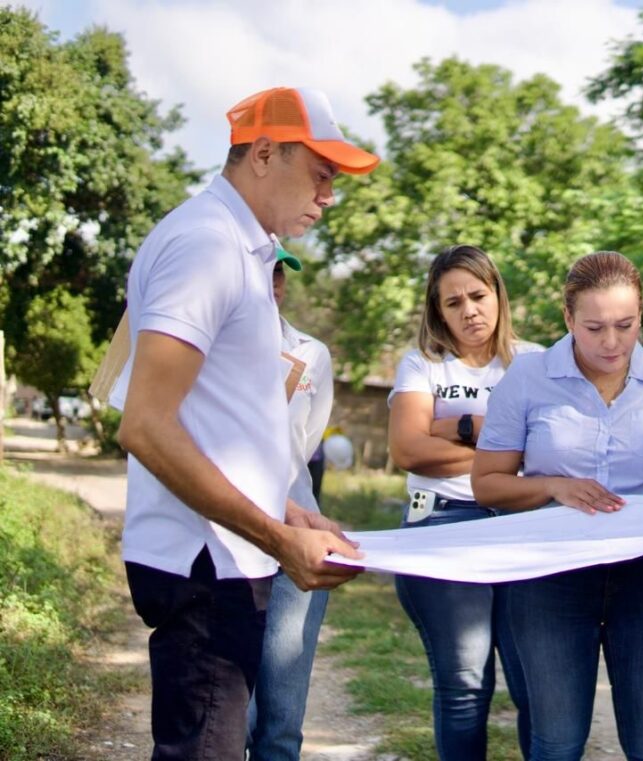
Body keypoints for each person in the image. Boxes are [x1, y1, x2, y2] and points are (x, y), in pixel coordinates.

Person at [111, 86, 378, 759]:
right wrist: (278, 537)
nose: (329, 195)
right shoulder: (208, 245)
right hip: (205, 565)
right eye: (322, 174)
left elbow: (219, 421)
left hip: (224, 558)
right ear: (264, 153)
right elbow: (145, 424)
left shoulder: (241, 250)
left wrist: (291, 511)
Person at [471, 251, 643, 761]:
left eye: (625, 325)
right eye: (594, 326)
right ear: (567, 318)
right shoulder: (528, 378)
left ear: (642, 315)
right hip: (550, 579)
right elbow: (487, 485)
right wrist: (554, 486)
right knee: (557, 745)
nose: (611, 342)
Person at [387, 244, 538, 760]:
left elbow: (552, 449)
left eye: (478, 295)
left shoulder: (538, 362)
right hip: (445, 526)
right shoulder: (423, 365)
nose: (469, 310)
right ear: (438, 310)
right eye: (453, 303)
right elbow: (408, 448)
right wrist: (500, 445)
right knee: (466, 687)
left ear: (498, 294)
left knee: (537, 687)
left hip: (524, 528)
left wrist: (454, 430)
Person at [247, 246, 336, 759]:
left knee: (281, 724)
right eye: (263, 273)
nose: (274, 283)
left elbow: (302, 445)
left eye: (279, 274)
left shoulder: (310, 354)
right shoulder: (204, 346)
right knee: (232, 715)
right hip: (227, 540)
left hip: (294, 541)